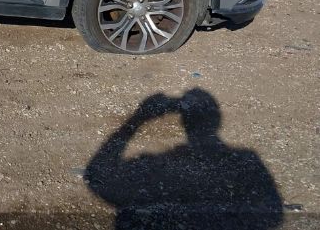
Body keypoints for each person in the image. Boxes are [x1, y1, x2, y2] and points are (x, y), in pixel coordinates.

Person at [85, 88, 283, 230]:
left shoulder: (153, 167)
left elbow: (96, 178)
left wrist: (137, 120)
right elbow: (273, 214)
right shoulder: (246, 160)